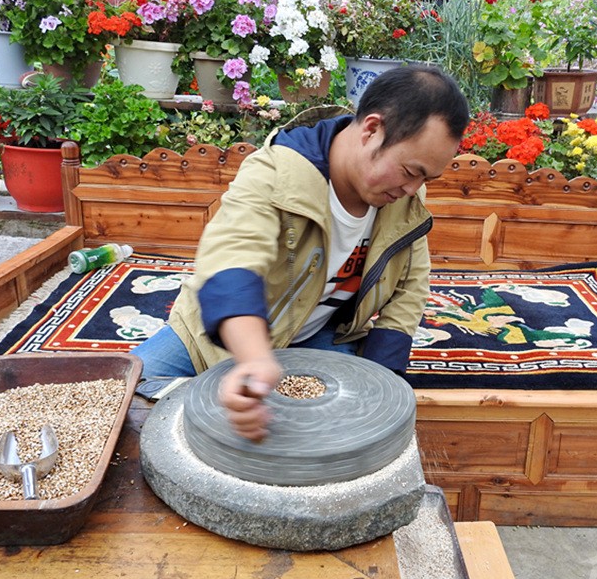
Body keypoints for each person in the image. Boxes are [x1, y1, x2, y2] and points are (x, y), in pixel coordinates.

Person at [132, 64, 469, 440]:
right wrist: (254, 360)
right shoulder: (275, 172)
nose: (413, 188)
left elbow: (410, 286)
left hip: (321, 335)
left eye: (426, 178)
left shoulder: (405, 198)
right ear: (372, 130)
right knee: (122, 398)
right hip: (212, 337)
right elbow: (231, 260)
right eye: (410, 171)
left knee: (348, 432)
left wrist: (382, 377)